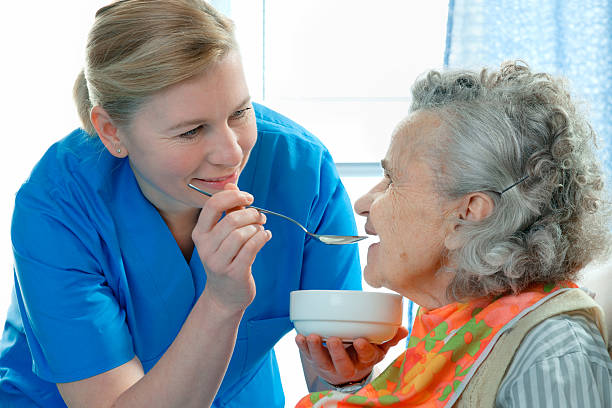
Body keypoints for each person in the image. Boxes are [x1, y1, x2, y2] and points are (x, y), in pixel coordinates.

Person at [0, 1, 405, 407]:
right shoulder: (56, 209)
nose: (232, 154)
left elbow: (329, 368)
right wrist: (222, 300)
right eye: (191, 131)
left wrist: (345, 375)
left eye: (240, 112)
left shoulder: (301, 173)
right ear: (111, 132)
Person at [296, 61, 612, 407]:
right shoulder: (450, 330)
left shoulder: (552, 350)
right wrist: (349, 385)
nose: (363, 202)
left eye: (392, 180)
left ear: (468, 214)